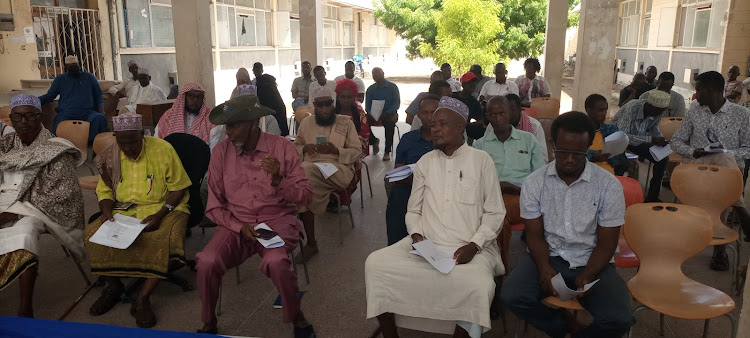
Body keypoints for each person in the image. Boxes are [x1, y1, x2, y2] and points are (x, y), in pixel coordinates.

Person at [366, 97, 505, 338]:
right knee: (376, 265)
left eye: (442, 124)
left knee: (478, 285)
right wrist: (418, 236)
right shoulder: (424, 163)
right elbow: (414, 210)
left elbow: (495, 212)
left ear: (461, 128)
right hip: (426, 245)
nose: (435, 129)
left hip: (469, 247)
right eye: (432, 125)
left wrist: (474, 245)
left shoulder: (482, 161)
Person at [501, 111, 633, 338]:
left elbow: (607, 243)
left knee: (619, 319)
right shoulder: (535, 183)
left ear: (589, 146)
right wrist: (543, 267)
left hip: (593, 260)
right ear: (552, 145)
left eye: (578, 153)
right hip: (547, 255)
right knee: (512, 295)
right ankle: (563, 324)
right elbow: (534, 235)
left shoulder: (608, 186)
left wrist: (589, 273)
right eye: (563, 152)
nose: (570, 159)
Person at [195, 94, 316, 337]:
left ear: (253, 123)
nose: (228, 132)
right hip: (236, 223)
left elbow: (304, 197)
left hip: (277, 220)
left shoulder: (282, 147)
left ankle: (298, 318)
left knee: (276, 261)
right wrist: (239, 227)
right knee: (206, 262)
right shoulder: (220, 153)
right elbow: (214, 206)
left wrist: (278, 180)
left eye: (235, 125)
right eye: (226, 126)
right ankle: (209, 323)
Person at [84, 113, 191, 328]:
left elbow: (179, 187)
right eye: (122, 142)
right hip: (126, 210)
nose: (128, 148)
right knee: (92, 236)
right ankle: (114, 286)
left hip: (165, 207)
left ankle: (142, 298)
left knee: (161, 238)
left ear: (143, 134)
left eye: (133, 142)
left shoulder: (162, 149)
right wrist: (106, 211)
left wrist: (160, 215)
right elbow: (104, 190)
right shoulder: (111, 155)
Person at [0, 94, 84, 318]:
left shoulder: (56, 148)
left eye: (29, 115)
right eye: (17, 116)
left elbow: (64, 194)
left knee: (25, 233)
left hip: (35, 208)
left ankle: (25, 307)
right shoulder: (6, 146)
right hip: (3, 200)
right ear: (11, 119)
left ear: (41, 117)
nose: (23, 121)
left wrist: (12, 212)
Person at [671, 70, 750, 271]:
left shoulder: (741, 115)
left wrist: (725, 153)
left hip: (724, 173)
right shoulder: (695, 111)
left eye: (699, 90)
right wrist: (694, 151)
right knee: (725, 181)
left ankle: (720, 249)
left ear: (712, 90)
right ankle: (740, 209)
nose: (696, 95)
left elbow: (748, 149)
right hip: (695, 168)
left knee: (722, 170)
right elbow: (675, 141)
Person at [294, 87, 362, 261]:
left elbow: (357, 151)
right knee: (304, 185)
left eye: (328, 104)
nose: (324, 109)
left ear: (333, 104)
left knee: (303, 177)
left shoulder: (345, 122)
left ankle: (308, 241)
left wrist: (336, 150)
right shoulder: (306, 123)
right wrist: (305, 148)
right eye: (320, 105)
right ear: (314, 106)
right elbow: (296, 147)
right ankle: (310, 241)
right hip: (312, 167)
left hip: (339, 169)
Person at [474, 96, 544, 228]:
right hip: (491, 195)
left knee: (497, 217)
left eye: (502, 113)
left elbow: (539, 175)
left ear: (510, 113)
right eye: (493, 115)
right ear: (487, 116)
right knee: (497, 215)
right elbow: (475, 179)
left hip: (522, 195)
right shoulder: (480, 145)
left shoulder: (529, 140)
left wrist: (518, 189)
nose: (498, 119)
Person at [384, 94, 438, 245]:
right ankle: (396, 246)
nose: (429, 117)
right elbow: (398, 171)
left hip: (441, 188)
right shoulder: (408, 139)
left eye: (434, 112)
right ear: (419, 115)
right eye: (425, 113)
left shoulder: (447, 139)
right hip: (411, 186)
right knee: (398, 197)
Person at [610, 89, 670, 202]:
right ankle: (614, 194)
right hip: (617, 139)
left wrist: (660, 138)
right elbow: (623, 135)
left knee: (663, 159)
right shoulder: (633, 107)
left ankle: (652, 196)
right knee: (619, 162)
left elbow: (653, 127)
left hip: (639, 139)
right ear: (650, 105)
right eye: (657, 111)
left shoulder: (658, 110)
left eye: (661, 112)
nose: (659, 114)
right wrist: (651, 139)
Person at [38, 55, 106, 143]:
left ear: (79, 64)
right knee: (59, 124)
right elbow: (49, 96)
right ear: (66, 67)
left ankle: (89, 145)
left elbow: (98, 96)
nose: (73, 66)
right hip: (67, 113)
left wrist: (101, 109)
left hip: (88, 112)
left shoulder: (89, 77)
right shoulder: (60, 79)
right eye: (70, 65)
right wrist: (32, 101)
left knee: (100, 118)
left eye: (75, 64)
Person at [156, 82, 221, 149]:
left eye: (199, 97)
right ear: (184, 96)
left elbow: (214, 148)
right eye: (191, 95)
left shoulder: (210, 118)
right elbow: (157, 141)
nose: (195, 100)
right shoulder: (168, 116)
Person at [490, 94, 549, 162]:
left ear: (520, 109)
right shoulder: (494, 125)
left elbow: (543, 158)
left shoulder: (534, 126)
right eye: (505, 111)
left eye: (512, 110)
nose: (509, 114)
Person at [584, 94, 627, 175]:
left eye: (605, 110)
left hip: (608, 174)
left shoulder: (611, 130)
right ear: (588, 110)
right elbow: (575, 154)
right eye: (601, 110)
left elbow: (619, 157)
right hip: (585, 173)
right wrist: (593, 156)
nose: (604, 114)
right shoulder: (578, 131)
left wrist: (607, 156)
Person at [365, 67, 400, 161]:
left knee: (389, 123)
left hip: (389, 113)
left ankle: (387, 151)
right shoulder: (370, 89)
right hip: (374, 113)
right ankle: (374, 141)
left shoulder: (393, 87)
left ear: (383, 74)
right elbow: (367, 105)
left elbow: (396, 104)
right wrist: (371, 113)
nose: (375, 75)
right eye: (373, 74)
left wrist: (387, 113)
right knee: (362, 121)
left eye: (378, 73)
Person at [335, 78, 370, 156]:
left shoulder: (360, 114)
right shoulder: (332, 113)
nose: (346, 100)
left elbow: (365, 136)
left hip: (354, 149)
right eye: (342, 97)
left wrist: (346, 146)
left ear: (354, 98)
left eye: (349, 97)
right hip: (334, 149)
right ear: (338, 97)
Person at [453, 72, 485, 141]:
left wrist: (469, 124)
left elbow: (480, 120)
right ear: (463, 84)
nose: (472, 85)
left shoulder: (474, 102)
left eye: (474, 83)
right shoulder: (453, 97)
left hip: (466, 131)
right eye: (470, 83)